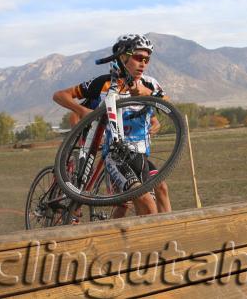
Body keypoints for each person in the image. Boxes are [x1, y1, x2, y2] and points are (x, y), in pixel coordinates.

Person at [52, 34, 171, 217]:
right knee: (139, 202)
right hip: (116, 156)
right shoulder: (104, 83)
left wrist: (147, 95)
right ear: (123, 57)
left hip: (140, 155)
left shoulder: (150, 83)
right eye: (138, 58)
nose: (143, 64)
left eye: (147, 59)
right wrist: (81, 111)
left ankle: (166, 236)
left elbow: (168, 105)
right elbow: (60, 95)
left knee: (161, 189)